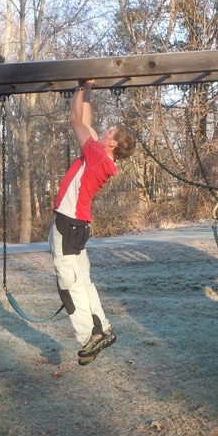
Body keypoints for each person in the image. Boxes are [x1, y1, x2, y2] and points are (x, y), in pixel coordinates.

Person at [49, 79, 136, 366]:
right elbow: (85, 121)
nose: (104, 129)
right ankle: (102, 328)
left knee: (69, 284)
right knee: (82, 282)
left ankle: (88, 337)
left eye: (110, 131)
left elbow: (75, 120)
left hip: (68, 224)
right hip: (77, 225)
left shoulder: (98, 155)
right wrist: (85, 90)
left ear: (112, 143)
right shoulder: (103, 157)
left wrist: (78, 89)